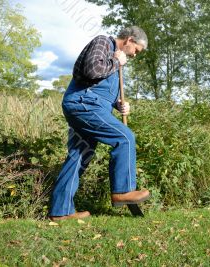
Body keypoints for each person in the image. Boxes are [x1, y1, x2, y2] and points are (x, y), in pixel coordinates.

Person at [49, 26, 150, 221]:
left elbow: (102, 89)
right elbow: (91, 69)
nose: (135, 55)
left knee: (79, 155)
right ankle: (123, 191)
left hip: (91, 106)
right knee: (125, 137)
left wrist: (119, 105)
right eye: (136, 50)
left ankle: (60, 211)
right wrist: (116, 60)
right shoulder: (104, 42)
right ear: (129, 40)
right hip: (83, 103)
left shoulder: (117, 62)